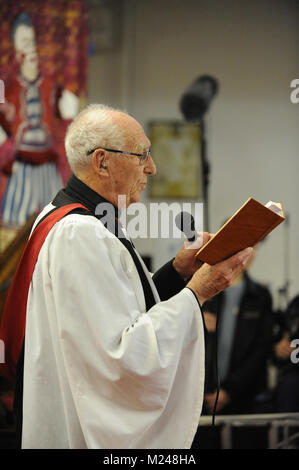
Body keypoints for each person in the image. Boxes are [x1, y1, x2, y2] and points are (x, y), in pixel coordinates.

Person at [0, 104, 254, 449]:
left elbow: (125, 307)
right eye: (142, 154)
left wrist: (179, 273)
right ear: (102, 161)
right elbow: (121, 357)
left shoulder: (78, 218)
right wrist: (199, 292)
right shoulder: (80, 233)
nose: (152, 167)